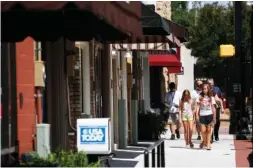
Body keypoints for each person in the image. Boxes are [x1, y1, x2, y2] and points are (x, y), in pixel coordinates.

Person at [196, 83, 216, 150]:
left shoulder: (211, 97)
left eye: (206, 88)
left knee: (209, 130)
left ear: (208, 89)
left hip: (209, 115)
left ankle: (208, 144)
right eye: (203, 89)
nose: (204, 90)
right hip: (202, 115)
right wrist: (196, 115)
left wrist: (214, 117)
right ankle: (204, 141)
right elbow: (198, 106)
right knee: (203, 131)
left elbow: (213, 108)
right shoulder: (200, 97)